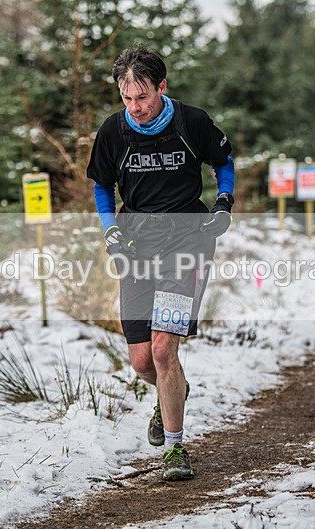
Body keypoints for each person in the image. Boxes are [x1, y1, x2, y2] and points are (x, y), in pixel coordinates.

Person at [87, 45, 235, 481]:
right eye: (127, 98)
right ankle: (173, 391)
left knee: (162, 348)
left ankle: (174, 450)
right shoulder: (113, 132)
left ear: (162, 87)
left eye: (143, 96)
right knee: (140, 361)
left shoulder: (192, 122)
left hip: (187, 242)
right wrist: (111, 232)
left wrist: (223, 202)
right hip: (136, 247)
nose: (136, 107)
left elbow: (223, 162)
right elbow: (102, 187)